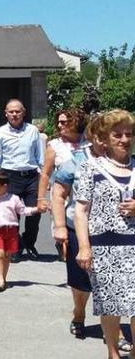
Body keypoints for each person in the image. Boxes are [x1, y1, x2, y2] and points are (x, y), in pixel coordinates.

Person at [73, 109, 135, 359]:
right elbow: (80, 211)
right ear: (106, 138)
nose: (123, 139)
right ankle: (112, 352)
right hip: (104, 247)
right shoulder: (90, 167)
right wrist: (84, 246)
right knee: (112, 304)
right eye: (117, 135)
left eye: (128, 134)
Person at [51, 113, 101, 342]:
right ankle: (79, 313)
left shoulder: (127, 163)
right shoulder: (77, 160)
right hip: (76, 229)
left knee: (113, 281)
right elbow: (59, 193)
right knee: (82, 282)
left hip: (116, 232)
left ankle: (112, 326)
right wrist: (60, 226)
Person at [0, 99, 45, 262]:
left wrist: (43, 178)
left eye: (17, 111)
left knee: (35, 213)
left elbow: (40, 156)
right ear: (6, 113)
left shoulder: (33, 131)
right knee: (12, 215)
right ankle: (16, 247)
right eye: (11, 111)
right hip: (9, 177)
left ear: (23, 112)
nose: (14, 114)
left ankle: (29, 242)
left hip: (32, 176)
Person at [0, 171, 44, 292]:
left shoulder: (13, 198)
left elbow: (23, 211)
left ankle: (3, 278)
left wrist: (37, 209)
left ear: (4, 186)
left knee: (8, 255)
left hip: (11, 230)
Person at [39, 108, 89, 257]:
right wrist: (41, 198)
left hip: (84, 193)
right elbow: (45, 173)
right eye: (58, 122)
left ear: (76, 122)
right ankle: (67, 258)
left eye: (64, 122)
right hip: (62, 195)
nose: (60, 125)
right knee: (65, 235)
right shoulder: (55, 145)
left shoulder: (89, 142)